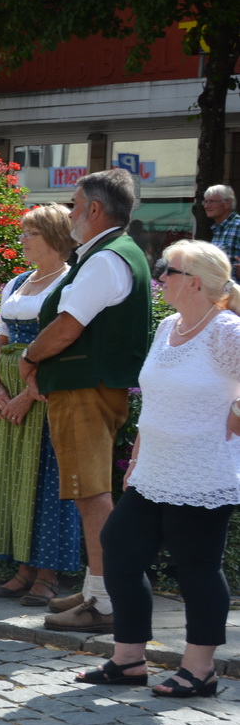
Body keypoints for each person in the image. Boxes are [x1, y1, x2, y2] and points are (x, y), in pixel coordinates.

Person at [75, 240, 240, 697]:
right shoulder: (169, 325)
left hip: (202, 470)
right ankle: (129, 659)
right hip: (155, 468)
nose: (160, 275)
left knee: (197, 567)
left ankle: (200, 669)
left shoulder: (226, 329)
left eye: (169, 269)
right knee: (120, 548)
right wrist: (138, 455)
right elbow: (156, 397)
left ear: (195, 282)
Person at [19, 169, 153, 633]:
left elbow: (68, 327)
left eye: (75, 205)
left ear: (96, 210)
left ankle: (106, 602)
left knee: (92, 495)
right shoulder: (110, 253)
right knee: (89, 493)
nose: (71, 214)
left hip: (85, 389)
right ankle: (100, 588)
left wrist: (29, 358)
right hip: (90, 386)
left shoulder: (106, 258)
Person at [0, 203, 80, 605]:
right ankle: (21, 568)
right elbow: (0, 338)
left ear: (55, 238)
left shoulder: (70, 285)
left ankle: (47, 574)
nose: (22, 240)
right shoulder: (17, 281)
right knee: (12, 480)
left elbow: (64, 343)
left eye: (30, 234)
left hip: (43, 393)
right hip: (7, 395)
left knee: (44, 481)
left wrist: (26, 394)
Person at [202, 184, 240, 276]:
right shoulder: (217, 228)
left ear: (227, 204)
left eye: (211, 201)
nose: (206, 206)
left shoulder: (238, 226)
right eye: (205, 202)